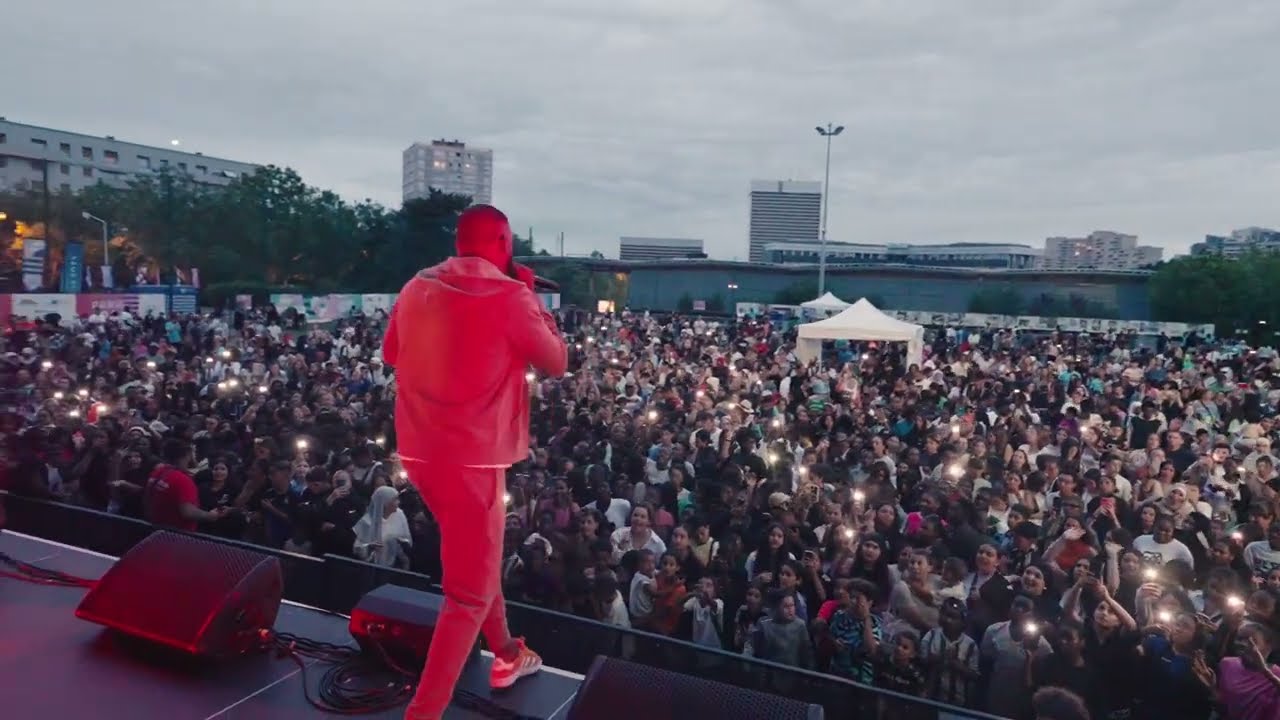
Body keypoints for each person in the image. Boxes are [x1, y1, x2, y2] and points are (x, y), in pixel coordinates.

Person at [389, 204, 568, 720]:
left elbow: (390, 352)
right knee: (466, 594)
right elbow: (555, 361)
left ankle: (507, 653)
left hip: (419, 451)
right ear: (505, 243)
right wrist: (530, 296)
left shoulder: (414, 285)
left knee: (476, 563)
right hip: (473, 460)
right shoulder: (513, 296)